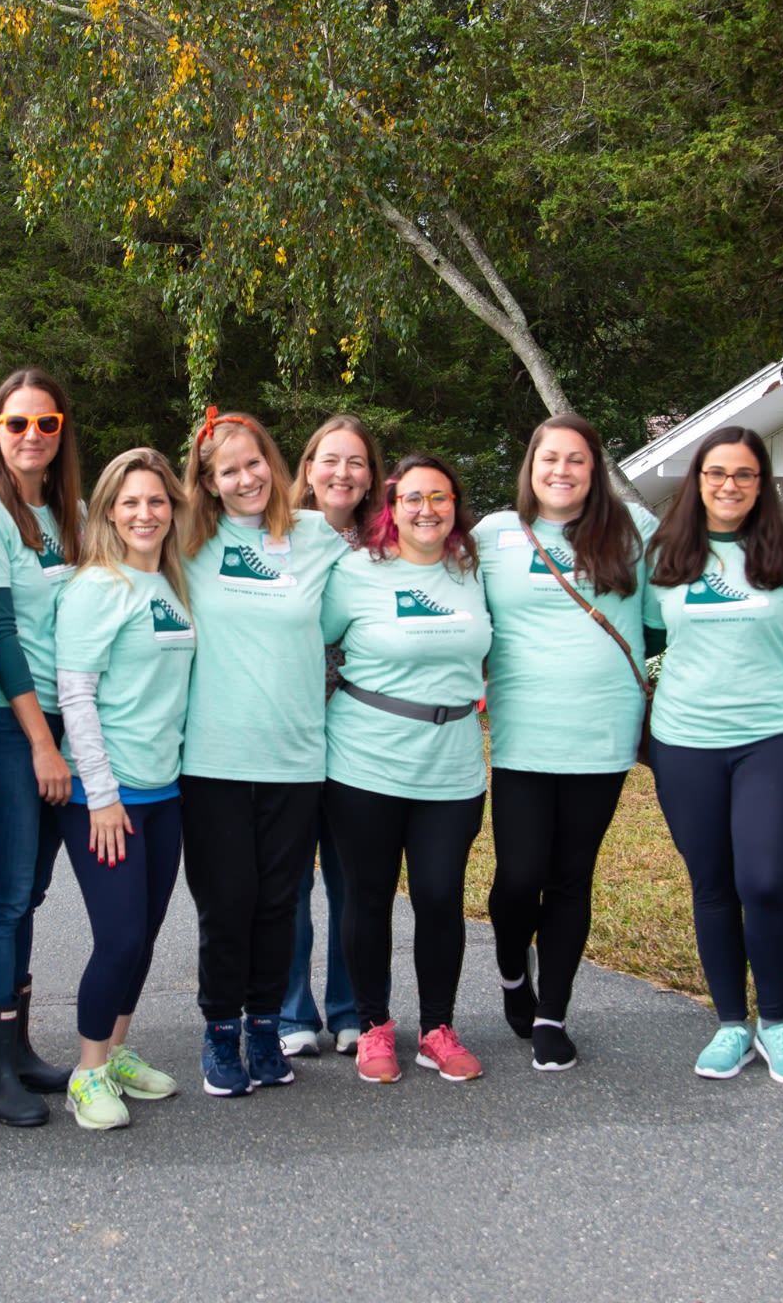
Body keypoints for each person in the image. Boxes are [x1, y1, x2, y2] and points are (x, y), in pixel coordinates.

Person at [642, 426, 783, 1085]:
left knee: (765, 880)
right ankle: (730, 1024)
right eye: (717, 473)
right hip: (685, 740)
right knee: (714, 885)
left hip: (774, 736)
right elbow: (637, 639)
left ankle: (776, 1021)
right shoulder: (663, 553)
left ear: (763, 483)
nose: (730, 485)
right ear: (697, 480)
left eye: (745, 474)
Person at [471, 414, 653, 1071]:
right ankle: (512, 974)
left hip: (602, 735)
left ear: (594, 468)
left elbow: (673, 606)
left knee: (572, 879)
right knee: (519, 879)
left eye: (576, 460)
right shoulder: (492, 535)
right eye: (550, 458)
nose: (562, 471)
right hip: (522, 738)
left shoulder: (635, 534)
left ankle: (552, 1011)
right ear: (531, 464)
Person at [176, 409, 346, 1096]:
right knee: (227, 904)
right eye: (228, 471)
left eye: (254, 463)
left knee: (280, 903)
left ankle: (264, 1028)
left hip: (296, 757)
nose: (245, 478)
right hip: (212, 758)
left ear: (274, 465)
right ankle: (219, 1032)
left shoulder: (315, 537)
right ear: (209, 484)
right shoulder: (187, 541)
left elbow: (374, 585)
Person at [323, 454, 494, 1087]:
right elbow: (312, 640)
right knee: (368, 898)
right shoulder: (356, 573)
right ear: (391, 510)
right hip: (365, 760)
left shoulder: (474, 572)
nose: (428, 509)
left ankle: (436, 1030)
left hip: (451, 765)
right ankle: (372, 1026)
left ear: (455, 506)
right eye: (413, 499)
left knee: (441, 897)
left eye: (440, 498)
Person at [52, 448, 198, 1130]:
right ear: (110, 510)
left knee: (144, 937)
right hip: (105, 799)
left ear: (173, 509)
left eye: (157, 501)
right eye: (131, 502)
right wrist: (101, 794)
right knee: (118, 938)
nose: (145, 513)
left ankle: (115, 1050)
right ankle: (86, 1071)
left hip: (165, 791)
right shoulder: (96, 587)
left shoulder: (170, 584)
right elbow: (75, 696)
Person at [0, 368, 83, 1126]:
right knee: (5, 892)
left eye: (46, 422)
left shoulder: (72, 508)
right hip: (13, 725)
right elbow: (1, 640)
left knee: (29, 891)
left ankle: (17, 1045)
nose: (32, 435)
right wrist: (41, 743)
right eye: (16, 423)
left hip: (67, 721)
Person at [277, 415, 382, 1059]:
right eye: (330, 459)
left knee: (354, 881)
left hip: (358, 736)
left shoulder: (386, 545)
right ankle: (292, 1011)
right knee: (289, 884)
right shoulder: (277, 536)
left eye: (357, 462)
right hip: (285, 731)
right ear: (308, 467)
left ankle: (350, 1009)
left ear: (372, 477)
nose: (342, 473)